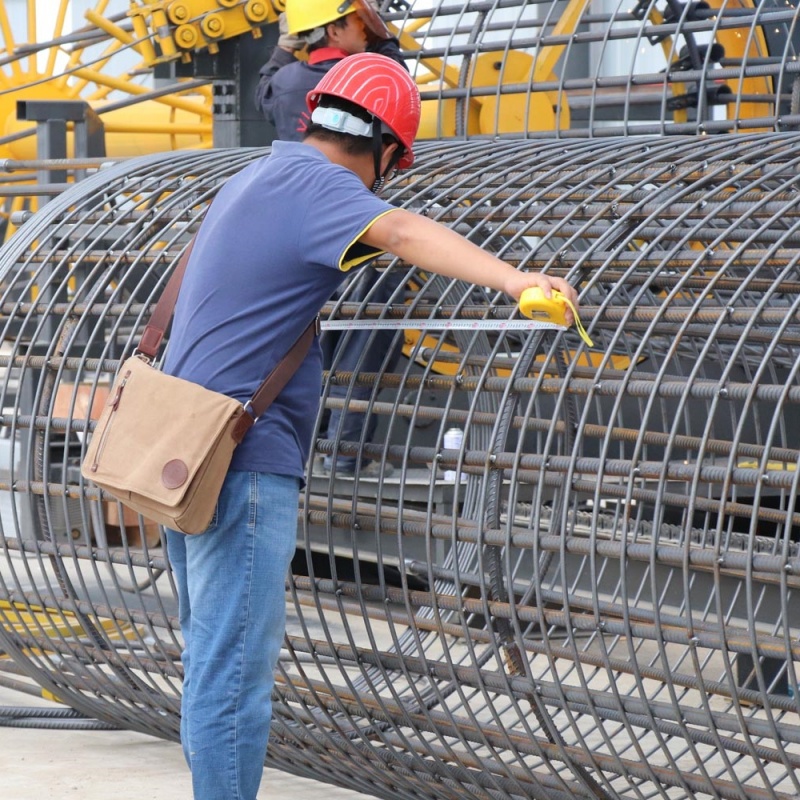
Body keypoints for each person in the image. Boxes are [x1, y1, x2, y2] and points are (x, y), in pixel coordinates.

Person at [164, 52, 579, 800]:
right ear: (387, 149)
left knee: (208, 661)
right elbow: (404, 232)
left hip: (181, 452)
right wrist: (518, 281)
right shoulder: (319, 185)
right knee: (233, 680)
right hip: (242, 462)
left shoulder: (256, 175)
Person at [256, 0, 408, 476]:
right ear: (336, 27)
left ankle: (306, 449)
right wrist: (385, 39)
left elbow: (261, 90)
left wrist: (284, 47)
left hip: (297, 235)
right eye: (360, 21)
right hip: (356, 228)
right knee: (367, 334)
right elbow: (401, 90)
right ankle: (343, 454)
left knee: (308, 344)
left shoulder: (283, 84)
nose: (367, 31)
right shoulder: (365, 81)